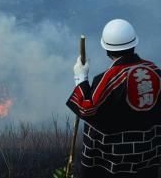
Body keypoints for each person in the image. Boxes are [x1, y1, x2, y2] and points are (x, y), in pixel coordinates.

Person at [66, 19, 161, 178]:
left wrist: (80, 78)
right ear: (133, 45)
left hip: (113, 164)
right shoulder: (155, 71)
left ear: (107, 50)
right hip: (148, 159)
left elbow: (86, 108)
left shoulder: (109, 78)